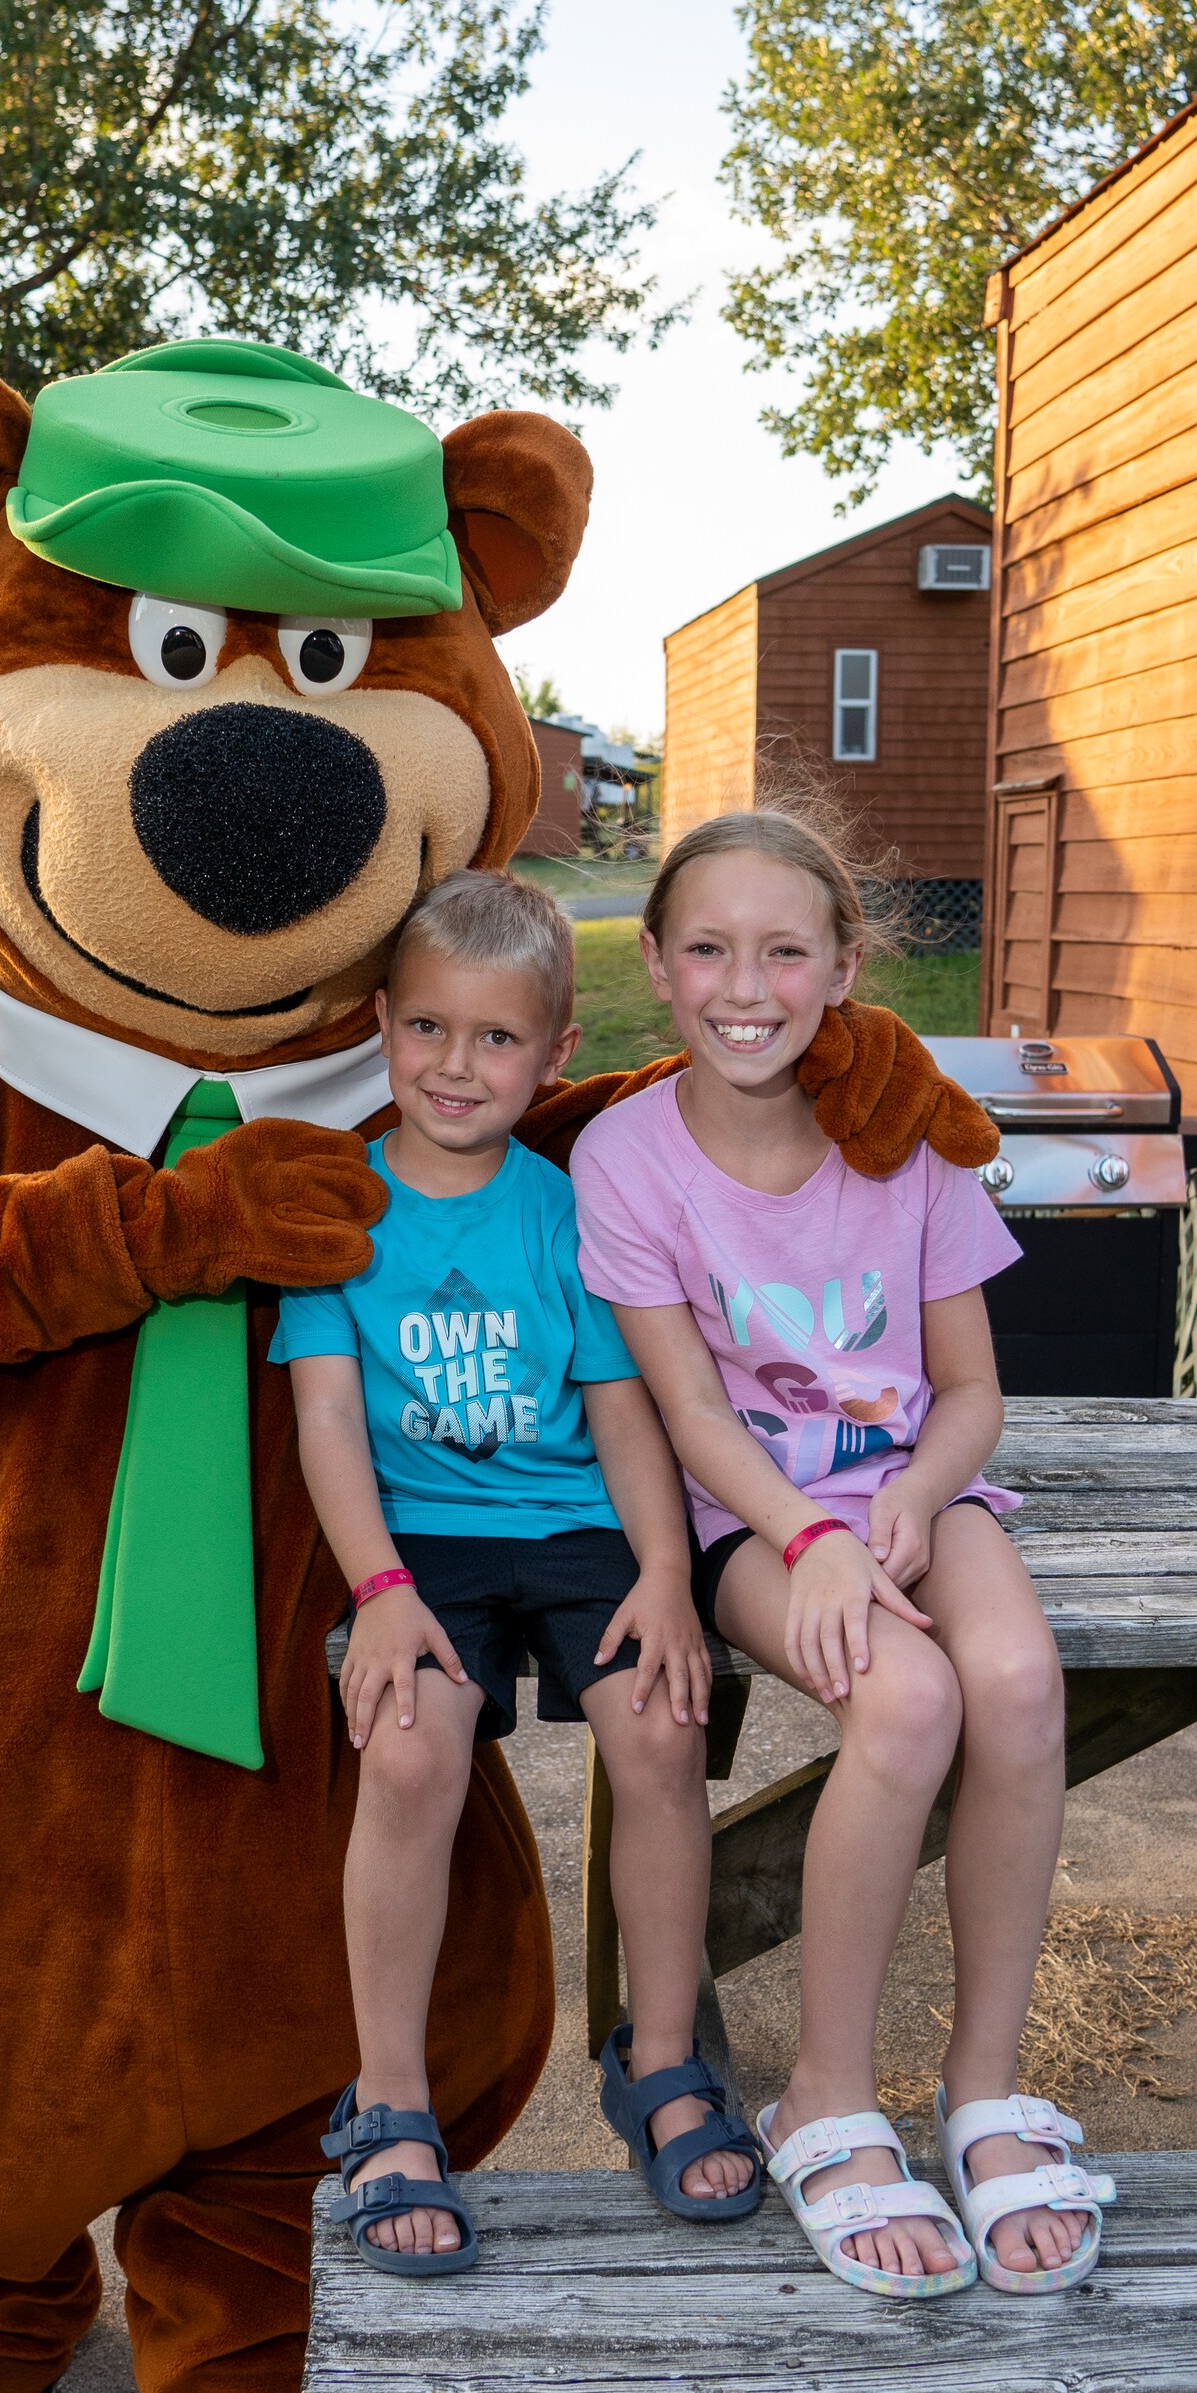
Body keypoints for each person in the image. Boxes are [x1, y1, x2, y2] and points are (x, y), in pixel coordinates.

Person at [570, 807, 1113, 2302]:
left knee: (1011, 1676)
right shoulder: (628, 1159)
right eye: (709, 950)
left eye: (785, 949)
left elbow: (974, 1391)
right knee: (912, 1701)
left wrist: (920, 1496)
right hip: (751, 1513)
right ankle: (828, 2089)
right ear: (664, 971)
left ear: (844, 964)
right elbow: (684, 1410)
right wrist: (810, 1535)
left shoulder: (907, 1144)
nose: (748, 985)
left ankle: (987, 2091)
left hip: (909, 1494)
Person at [275, 869, 768, 2274]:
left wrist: (667, 1574)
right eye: (430, 1029)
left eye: (498, 1040)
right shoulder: (339, 1207)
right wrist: (378, 1593)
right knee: (415, 1746)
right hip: (415, 1542)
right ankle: (391, 2102)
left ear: (553, 1054)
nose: (456, 1066)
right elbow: (324, 1420)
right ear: (383, 1026)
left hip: (574, 1530)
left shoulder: (573, 1206)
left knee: (664, 1726)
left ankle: (662, 2061)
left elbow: (628, 1415)